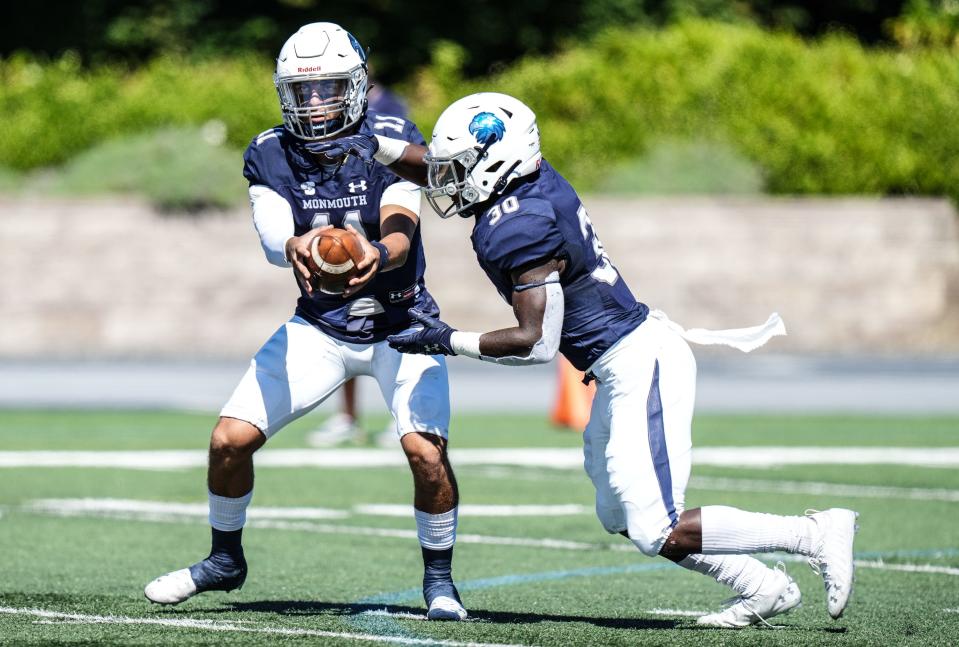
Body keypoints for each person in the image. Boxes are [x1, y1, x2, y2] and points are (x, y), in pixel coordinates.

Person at [353, 91, 858, 627]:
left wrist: (446, 339)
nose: (447, 179)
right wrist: (372, 145)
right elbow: (435, 165)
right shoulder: (530, 179)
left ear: (495, 163)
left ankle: (813, 534)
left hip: (640, 361)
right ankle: (762, 587)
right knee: (617, 513)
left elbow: (536, 344)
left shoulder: (519, 225)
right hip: (616, 363)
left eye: (461, 168)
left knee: (654, 525)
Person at [143, 23, 467, 621]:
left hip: (404, 322)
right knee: (227, 442)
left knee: (426, 453)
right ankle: (224, 558)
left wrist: (379, 253)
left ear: (356, 86)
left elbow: (402, 218)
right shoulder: (269, 150)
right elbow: (273, 240)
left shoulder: (390, 134)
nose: (313, 102)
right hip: (320, 326)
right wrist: (299, 242)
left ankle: (440, 581)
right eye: (301, 90)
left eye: (326, 88)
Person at [307, 73, 410, 448]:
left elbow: (404, 164)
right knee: (342, 323)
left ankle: (400, 418)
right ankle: (347, 416)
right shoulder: (319, 112)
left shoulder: (390, 110)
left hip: (377, 219)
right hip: (339, 217)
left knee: (393, 331)